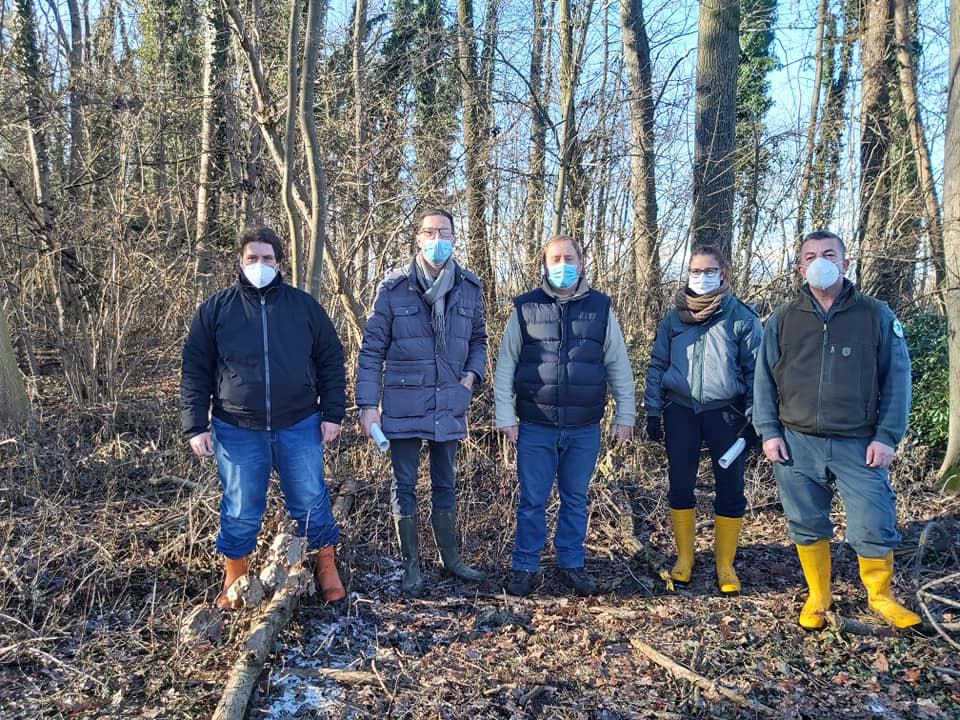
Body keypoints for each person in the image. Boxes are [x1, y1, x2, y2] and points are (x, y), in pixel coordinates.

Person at [752, 230, 920, 630]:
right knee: (806, 520)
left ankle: (880, 596)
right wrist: (768, 431)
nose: (820, 262)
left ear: (845, 263)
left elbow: (898, 379)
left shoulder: (876, 315)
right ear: (800, 267)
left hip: (859, 442)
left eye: (829, 254)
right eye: (811, 256)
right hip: (796, 440)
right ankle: (818, 594)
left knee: (874, 520)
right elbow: (763, 380)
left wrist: (887, 436)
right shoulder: (782, 319)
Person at [181, 226, 346, 608]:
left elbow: (331, 360)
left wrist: (332, 413)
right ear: (240, 262)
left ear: (279, 262)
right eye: (252, 258)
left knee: (310, 500)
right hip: (236, 427)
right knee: (240, 506)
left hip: (299, 422)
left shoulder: (303, 307)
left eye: (267, 258)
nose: (259, 264)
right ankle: (235, 576)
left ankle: (325, 565)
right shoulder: (216, 309)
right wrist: (195, 424)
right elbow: (195, 368)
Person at [495, 234, 635, 597]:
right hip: (535, 426)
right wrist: (505, 415)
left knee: (576, 498)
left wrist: (626, 413)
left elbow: (617, 364)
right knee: (532, 500)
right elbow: (506, 364)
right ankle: (525, 565)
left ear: (582, 262)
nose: (562, 265)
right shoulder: (525, 308)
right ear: (544, 265)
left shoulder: (601, 308)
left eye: (568, 257)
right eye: (554, 259)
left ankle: (571, 562)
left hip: (583, 428)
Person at [356, 209, 487, 597]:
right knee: (405, 484)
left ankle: (451, 558)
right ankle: (411, 564)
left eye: (444, 232)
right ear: (418, 238)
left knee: (447, 482)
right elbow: (371, 350)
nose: (436, 239)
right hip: (403, 401)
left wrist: (470, 378)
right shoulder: (393, 288)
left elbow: (478, 340)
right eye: (429, 232)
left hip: (449, 400)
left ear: (454, 238)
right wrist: (367, 405)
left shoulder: (469, 287)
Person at [643, 245, 761, 594]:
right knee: (680, 485)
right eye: (696, 271)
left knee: (730, 488)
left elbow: (758, 372)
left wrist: (756, 419)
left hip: (727, 412)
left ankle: (725, 565)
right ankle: (685, 559)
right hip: (680, 410)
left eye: (709, 271)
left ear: (723, 274)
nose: (702, 277)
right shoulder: (673, 318)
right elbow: (657, 365)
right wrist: (652, 410)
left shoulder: (741, 317)